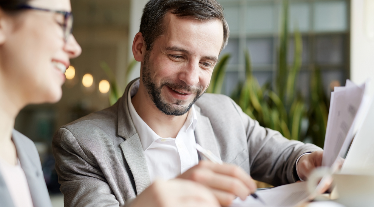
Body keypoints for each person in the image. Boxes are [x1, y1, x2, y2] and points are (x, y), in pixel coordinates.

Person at [52, 0, 324, 206]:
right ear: (140, 47)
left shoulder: (225, 113)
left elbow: (289, 156)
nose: (190, 79)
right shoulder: (83, 143)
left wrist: (308, 160)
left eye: (206, 63)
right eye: (177, 56)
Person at [0, 1, 219, 207]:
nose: (75, 47)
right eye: (61, 22)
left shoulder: (24, 150)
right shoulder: (80, 143)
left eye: (206, 63)